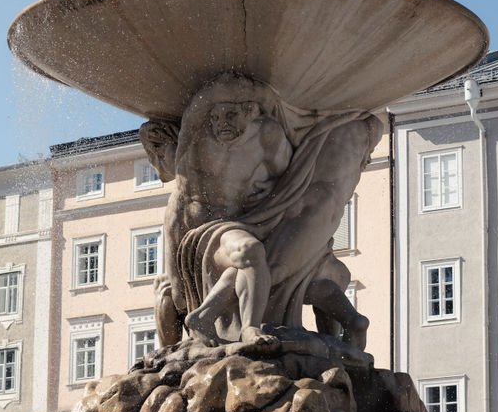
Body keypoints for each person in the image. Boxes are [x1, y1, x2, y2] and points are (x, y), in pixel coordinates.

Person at [140, 73, 378, 347]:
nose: (221, 124)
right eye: (216, 118)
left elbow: (285, 181)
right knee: (252, 254)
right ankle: (243, 327)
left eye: (230, 116)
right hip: (217, 231)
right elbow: (176, 216)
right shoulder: (195, 154)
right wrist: (175, 272)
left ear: (251, 112)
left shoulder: (270, 137)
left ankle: (332, 345)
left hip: (266, 220)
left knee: (323, 274)